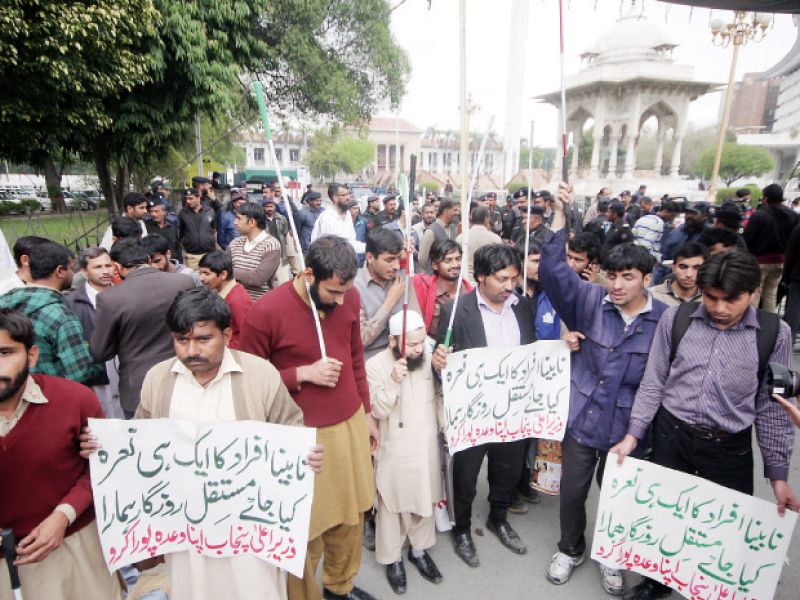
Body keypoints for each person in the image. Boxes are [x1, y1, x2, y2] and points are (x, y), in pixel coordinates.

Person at [85, 288, 322, 600]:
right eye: (181, 340)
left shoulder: (260, 375)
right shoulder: (159, 379)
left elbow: (289, 427)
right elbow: (140, 441)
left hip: (248, 528)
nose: (190, 351)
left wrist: (303, 458)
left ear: (226, 335)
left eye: (202, 339)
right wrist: (107, 449)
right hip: (185, 527)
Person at [611, 250, 799, 600]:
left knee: (724, 531)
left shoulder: (777, 334)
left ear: (754, 293)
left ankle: (713, 586)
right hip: (672, 436)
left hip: (729, 448)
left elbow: (776, 406)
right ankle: (657, 581)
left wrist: (778, 476)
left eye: (732, 300)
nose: (720, 309)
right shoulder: (677, 319)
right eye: (712, 298)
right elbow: (654, 380)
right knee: (663, 516)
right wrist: (633, 435)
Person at [538, 183, 668, 596]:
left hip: (627, 431)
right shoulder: (589, 301)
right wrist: (561, 214)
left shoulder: (667, 321)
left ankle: (611, 557)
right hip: (581, 419)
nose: (616, 284)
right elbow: (553, 272)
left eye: (628, 277)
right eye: (611, 275)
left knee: (618, 502)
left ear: (647, 278)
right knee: (572, 493)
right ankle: (570, 548)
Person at [238, 235, 379, 600]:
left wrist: (366, 412)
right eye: (333, 291)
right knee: (305, 529)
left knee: (351, 520)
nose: (342, 300)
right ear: (309, 274)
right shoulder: (266, 311)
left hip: (348, 423)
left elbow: (356, 358)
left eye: (347, 290)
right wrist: (300, 375)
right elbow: (246, 380)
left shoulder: (348, 296)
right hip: (300, 434)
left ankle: (339, 587)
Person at [0, 309, 124, 600]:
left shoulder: (74, 399)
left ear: (31, 356)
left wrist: (63, 516)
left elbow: (102, 467)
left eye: (5, 352)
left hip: (73, 549)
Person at [432, 244, 536, 566]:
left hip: (512, 410)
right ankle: (461, 527)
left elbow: (534, 353)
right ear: (480, 277)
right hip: (473, 413)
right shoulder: (455, 311)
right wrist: (438, 360)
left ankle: (498, 517)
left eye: (514, 279)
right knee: (465, 474)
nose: (510, 286)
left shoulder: (524, 307)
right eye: (502, 279)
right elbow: (441, 356)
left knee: (507, 470)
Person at [366, 311, 444, 594]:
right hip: (394, 451)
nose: (419, 348)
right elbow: (376, 410)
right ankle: (393, 559)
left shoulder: (427, 358)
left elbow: (437, 395)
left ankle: (420, 551)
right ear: (391, 341)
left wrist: (445, 425)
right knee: (392, 507)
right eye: (411, 344)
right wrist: (392, 380)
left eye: (422, 341)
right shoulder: (374, 366)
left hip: (425, 449)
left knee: (424, 503)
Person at [90, 239, 195, 418]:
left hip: (138, 386)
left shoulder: (110, 298)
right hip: (184, 375)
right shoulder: (183, 282)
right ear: (148, 258)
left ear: (118, 266)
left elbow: (100, 352)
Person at [0, 242, 102, 385]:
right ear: (59, 271)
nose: (72, 274)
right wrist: (101, 368)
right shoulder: (61, 316)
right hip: (50, 396)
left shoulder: (6, 304)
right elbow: (80, 374)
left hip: (14, 394)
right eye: (71, 269)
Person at [63, 247, 124, 419]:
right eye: (97, 267)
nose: (105, 271)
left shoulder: (126, 295)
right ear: (83, 271)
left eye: (108, 265)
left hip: (125, 368)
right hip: (96, 372)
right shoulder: (72, 303)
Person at [742, 183, 799, 311]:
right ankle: (769, 322)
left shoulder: (759, 214)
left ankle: (751, 320)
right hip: (781, 260)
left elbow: (748, 238)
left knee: (755, 292)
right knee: (771, 294)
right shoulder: (793, 215)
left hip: (760, 260)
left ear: (766, 198)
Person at [354, 227, 407, 361]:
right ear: (370, 258)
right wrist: (388, 304)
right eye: (389, 260)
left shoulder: (402, 280)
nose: (396, 266)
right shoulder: (354, 287)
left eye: (398, 259)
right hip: (371, 362)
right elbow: (360, 340)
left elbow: (415, 325)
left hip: (404, 357)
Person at [412, 239, 472, 338]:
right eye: (448, 260)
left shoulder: (471, 293)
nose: (455, 265)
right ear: (435, 265)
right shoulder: (424, 287)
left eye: (458, 259)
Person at [226, 202, 281, 301]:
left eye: (239, 218)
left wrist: (229, 272)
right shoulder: (234, 244)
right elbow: (222, 271)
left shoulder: (271, 245)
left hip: (260, 305)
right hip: (235, 304)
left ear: (252, 222)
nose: (235, 222)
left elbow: (258, 279)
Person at [198, 251, 252, 350]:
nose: (201, 278)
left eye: (207, 274)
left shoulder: (238, 300)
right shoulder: (222, 294)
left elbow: (247, 336)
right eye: (201, 273)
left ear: (223, 274)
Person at [654, 201, 710, 284]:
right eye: (687, 213)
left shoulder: (709, 234)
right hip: (671, 280)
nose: (689, 216)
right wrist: (658, 280)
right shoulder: (676, 232)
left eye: (693, 213)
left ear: (704, 215)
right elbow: (665, 257)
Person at [310, 183, 366, 255]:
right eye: (344, 195)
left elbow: (352, 244)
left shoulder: (348, 215)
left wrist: (370, 248)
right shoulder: (326, 217)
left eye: (348, 194)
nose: (348, 198)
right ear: (335, 197)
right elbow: (321, 248)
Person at [650, 242, 708, 306]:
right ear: (674, 267)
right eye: (683, 267)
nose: (688, 274)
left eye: (697, 268)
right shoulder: (651, 296)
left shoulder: (710, 299)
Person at [457, 206, 503, 286]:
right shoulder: (495, 239)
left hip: (465, 279)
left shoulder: (461, 238)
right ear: (486, 219)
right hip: (486, 281)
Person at [178, 187, 217, 271]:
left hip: (208, 255)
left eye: (191, 198)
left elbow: (214, 229)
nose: (188, 201)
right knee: (192, 280)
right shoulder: (183, 213)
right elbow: (180, 232)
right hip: (192, 257)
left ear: (198, 198)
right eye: (187, 198)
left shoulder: (209, 211)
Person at [631, 200, 679, 265]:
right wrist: (655, 262)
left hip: (637, 258)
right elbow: (646, 245)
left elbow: (633, 238)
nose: (672, 219)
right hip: (649, 261)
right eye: (672, 216)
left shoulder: (643, 219)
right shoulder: (659, 223)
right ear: (665, 212)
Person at [418, 199, 459, 275]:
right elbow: (422, 258)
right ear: (446, 211)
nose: (457, 213)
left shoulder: (453, 229)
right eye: (455, 210)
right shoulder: (431, 231)